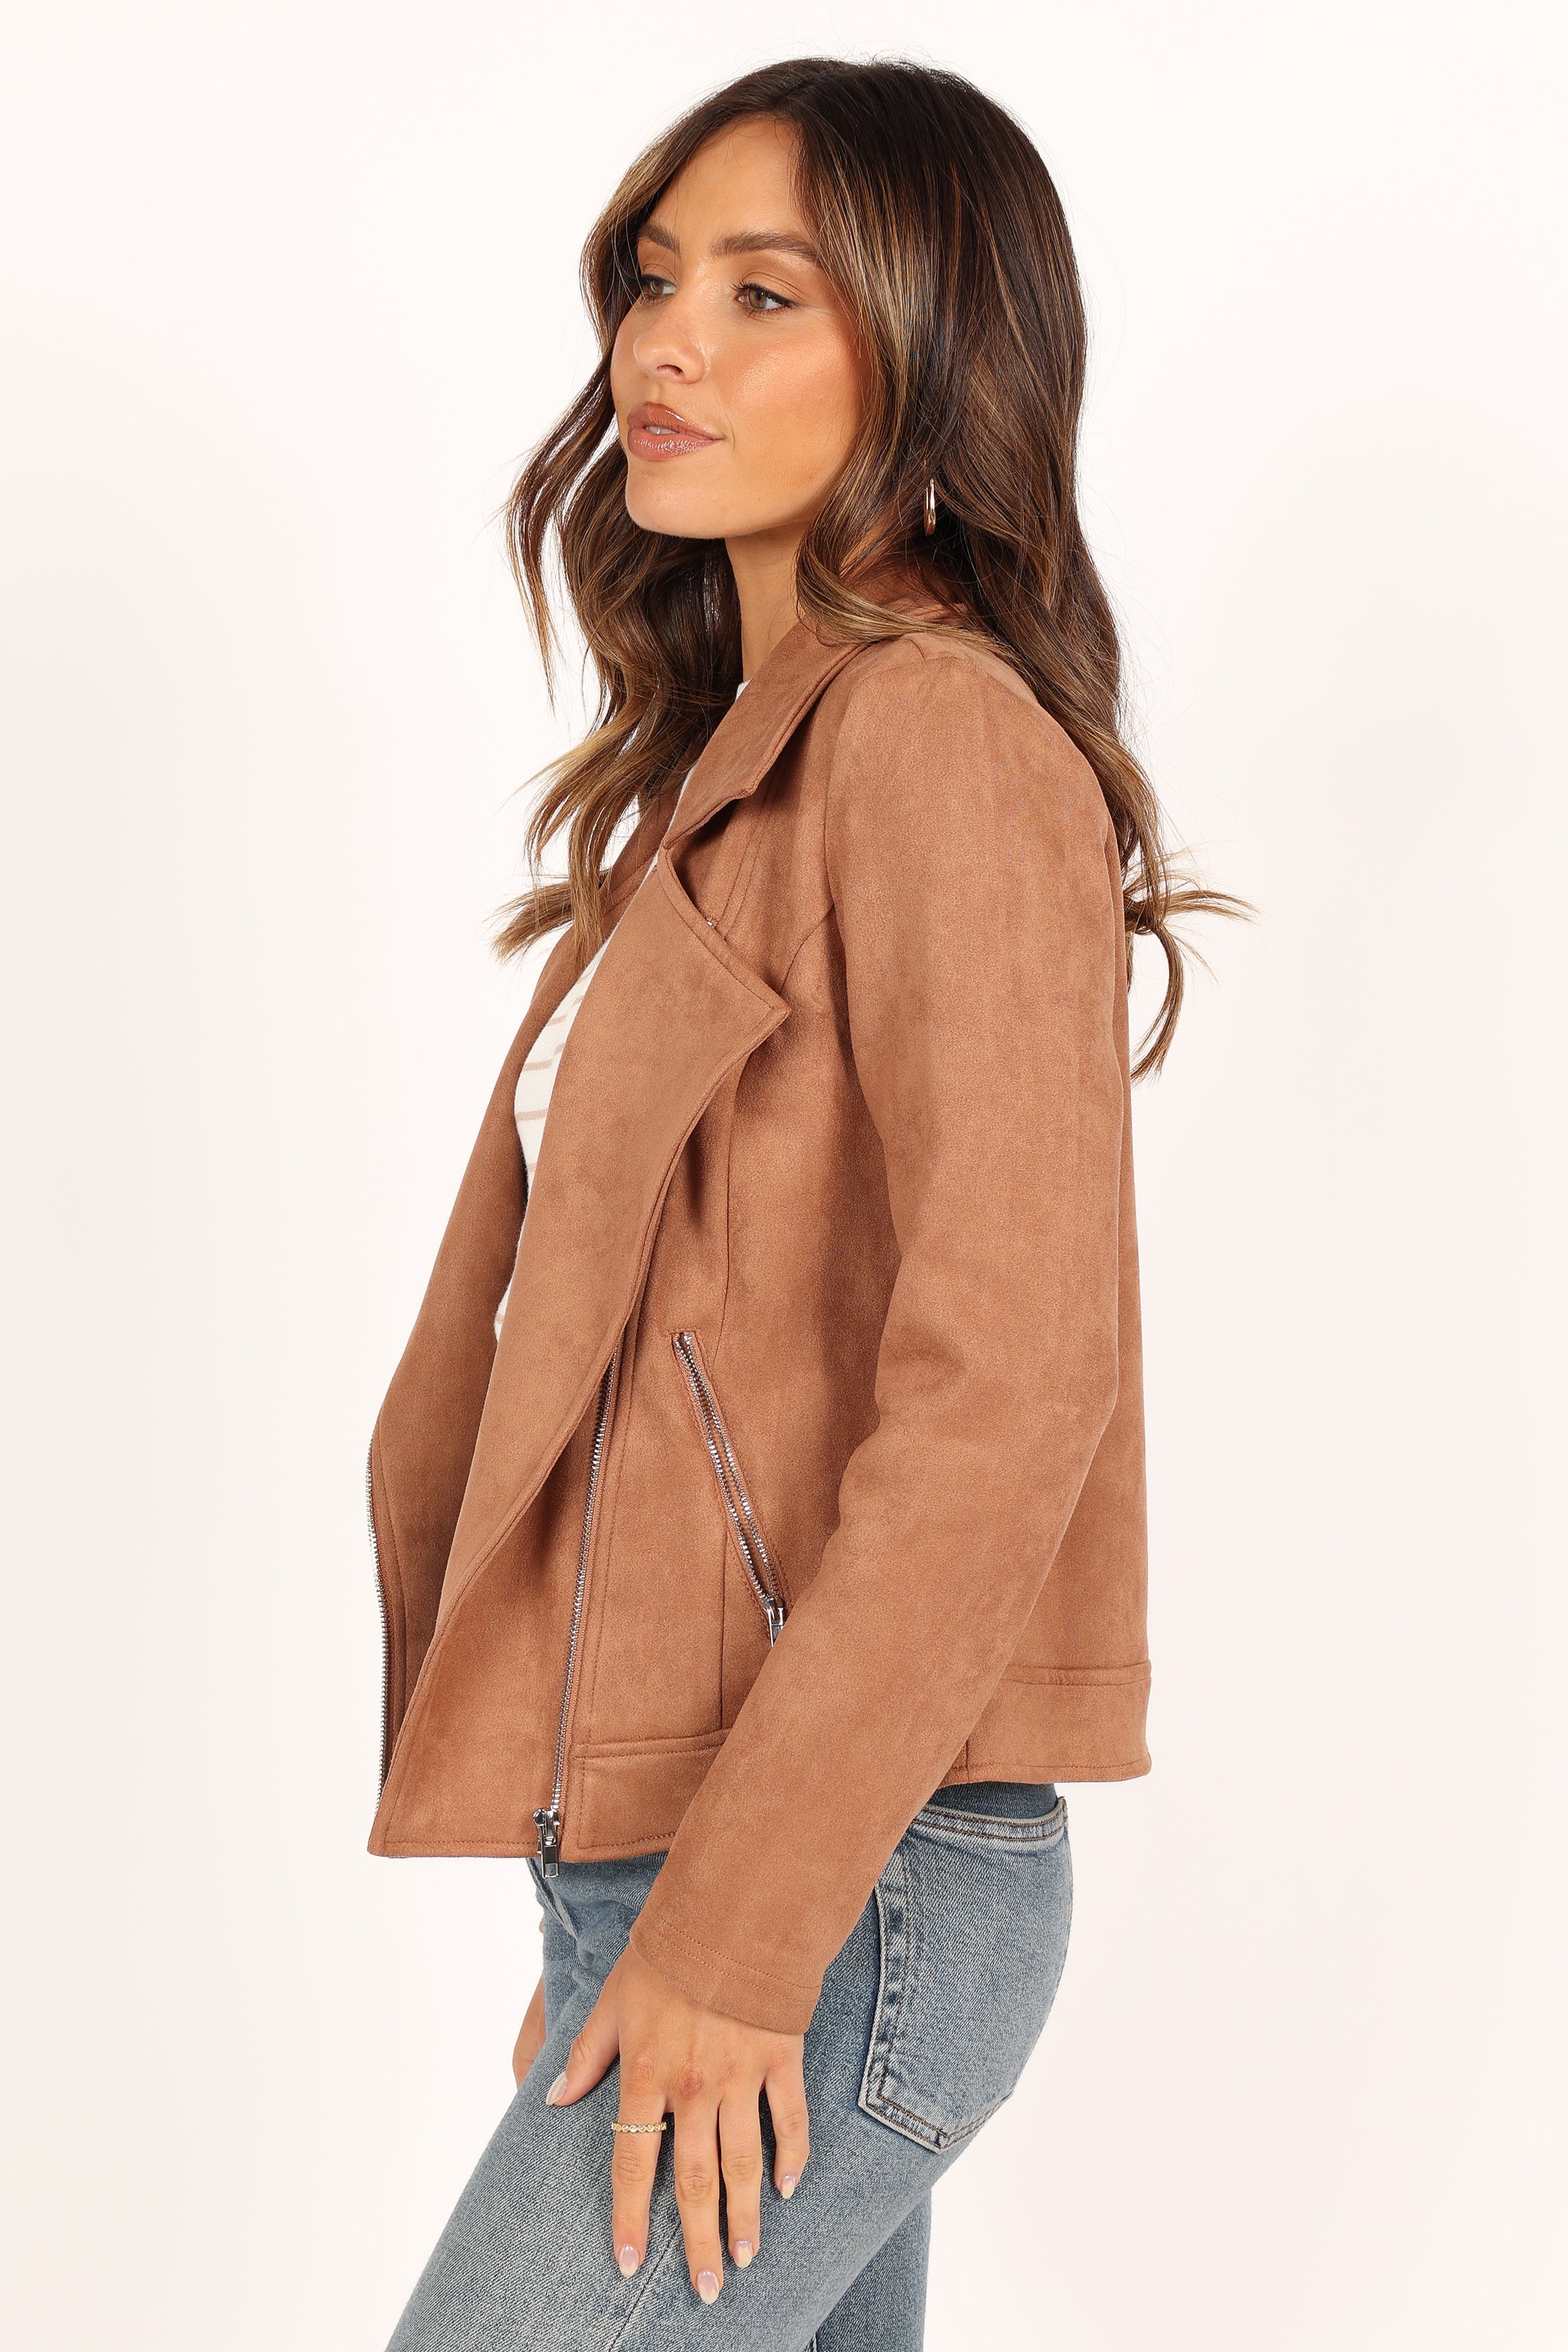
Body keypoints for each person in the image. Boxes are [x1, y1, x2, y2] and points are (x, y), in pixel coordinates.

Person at [370, 54, 1225, 2352]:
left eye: (765, 295)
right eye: (655, 282)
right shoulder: (737, 772)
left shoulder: (937, 738)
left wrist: (739, 1937)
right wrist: (618, 1902)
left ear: (939, 354)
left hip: (844, 1876)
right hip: (717, 1860)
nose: (667, 346)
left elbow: (1007, 1388)